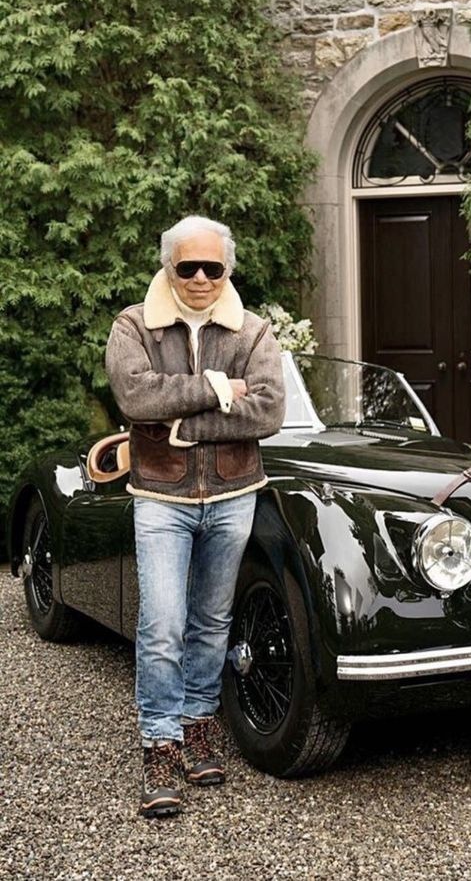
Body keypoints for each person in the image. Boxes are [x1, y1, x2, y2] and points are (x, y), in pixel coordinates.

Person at [105, 215, 285, 818]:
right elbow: (135, 398)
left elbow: (267, 412)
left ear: (228, 269)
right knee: (161, 623)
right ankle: (160, 743)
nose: (202, 277)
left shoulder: (254, 331)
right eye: (189, 267)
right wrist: (216, 386)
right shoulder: (134, 324)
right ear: (168, 268)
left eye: (214, 267)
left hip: (234, 493)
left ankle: (198, 724)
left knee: (212, 620)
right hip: (160, 494)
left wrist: (182, 423)